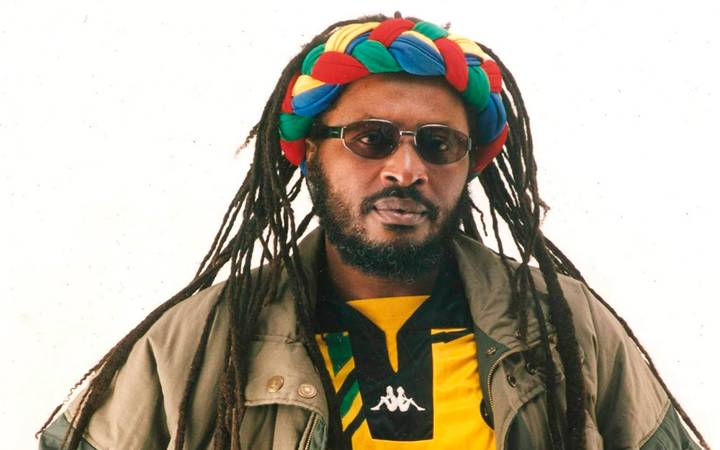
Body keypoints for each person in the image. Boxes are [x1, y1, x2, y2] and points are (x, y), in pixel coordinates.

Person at [37, 13, 708, 450]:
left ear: (469, 164)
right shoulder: (197, 344)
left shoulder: (568, 330)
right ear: (311, 154)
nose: (407, 169)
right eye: (370, 139)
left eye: (439, 144)